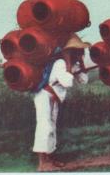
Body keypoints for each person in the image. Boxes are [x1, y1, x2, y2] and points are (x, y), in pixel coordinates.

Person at [33, 33, 90, 171]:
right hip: (44, 96)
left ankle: (50, 158)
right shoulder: (60, 64)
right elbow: (68, 82)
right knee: (45, 126)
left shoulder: (72, 65)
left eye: (80, 52)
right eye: (77, 51)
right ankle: (42, 162)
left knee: (52, 127)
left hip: (53, 99)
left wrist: (80, 64)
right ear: (69, 52)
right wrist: (70, 65)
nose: (80, 53)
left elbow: (84, 80)